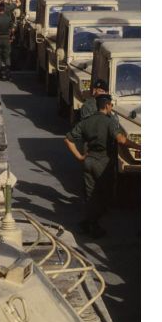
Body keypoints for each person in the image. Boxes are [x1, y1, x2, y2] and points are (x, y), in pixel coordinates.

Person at [64, 94, 141, 238]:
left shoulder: (87, 121)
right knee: (104, 196)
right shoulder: (109, 122)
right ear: (106, 105)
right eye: (111, 105)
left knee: (90, 195)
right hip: (103, 163)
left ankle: (88, 222)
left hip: (89, 161)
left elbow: (68, 139)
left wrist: (79, 156)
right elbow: (121, 140)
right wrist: (138, 147)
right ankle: (93, 225)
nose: (111, 107)